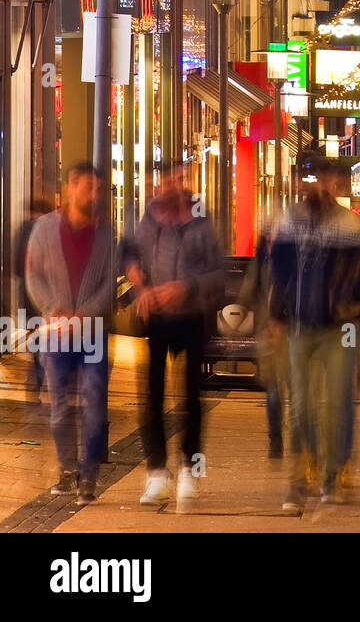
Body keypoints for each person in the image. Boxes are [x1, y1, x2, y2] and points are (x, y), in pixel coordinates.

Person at [269, 157, 360, 509]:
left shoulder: (351, 226)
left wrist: (356, 308)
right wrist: (277, 314)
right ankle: (299, 481)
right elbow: (279, 272)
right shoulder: (289, 220)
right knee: (300, 405)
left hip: (340, 326)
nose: (316, 185)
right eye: (309, 179)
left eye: (324, 179)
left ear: (336, 184)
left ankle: (331, 477)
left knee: (338, 401)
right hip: (301, 324)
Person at [121, 162, 224, 512]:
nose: (171, 186)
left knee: (192, 397)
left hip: (193, 317)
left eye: (178, 179)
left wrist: (187, 287)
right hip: (155, 320)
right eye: (165, 180)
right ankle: (155, 471)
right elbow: (128, 252)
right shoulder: (145, 218)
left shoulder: (202, 218)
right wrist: (140, 282)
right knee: (151, 395)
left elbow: (218, 274)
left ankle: (190, 469)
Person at [24, 164, 113, 505]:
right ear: (72, 187)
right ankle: (65, 467)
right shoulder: (44, 229)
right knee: (58, 404)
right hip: (56, 333)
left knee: (94, 400)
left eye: (98, 189)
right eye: (88, 187)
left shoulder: (105, 232)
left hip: (91, 332)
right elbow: (33, 276)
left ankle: (88, 474)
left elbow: (110, 280)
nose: (94, 195)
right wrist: (52, 309)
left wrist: (84, 313)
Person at [239, 218, 289, 459]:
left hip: (286, 332)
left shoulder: (282, 262)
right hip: (268, 332)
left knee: (283, 387)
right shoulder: (264, 262)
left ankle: (282, 440)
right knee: (274, 388)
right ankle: (276, 439)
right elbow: (248, 291)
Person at [14, 197, 55, 400]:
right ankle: (39, 376)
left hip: (27, 295)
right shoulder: (48, 232)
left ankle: (36, 377)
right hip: (46, 296)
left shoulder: (22, 230)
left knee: (36, 340)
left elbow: (16, 268)